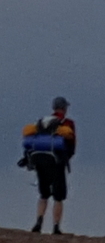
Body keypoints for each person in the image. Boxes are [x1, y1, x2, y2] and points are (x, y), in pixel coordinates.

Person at [20, 97, 75, 235]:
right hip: (56, 161)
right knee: (58, 196)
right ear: (64, 108)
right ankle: (56, 227)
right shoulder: (67, 123)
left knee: (43, 194)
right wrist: (65, 159)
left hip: (38, 159)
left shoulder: (41, 122)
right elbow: (71, 145)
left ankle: (38, 222)